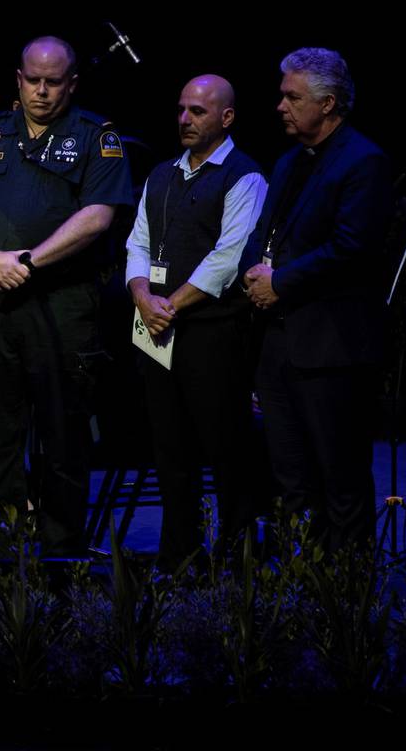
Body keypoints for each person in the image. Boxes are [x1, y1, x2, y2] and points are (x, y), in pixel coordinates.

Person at [0, 35, 133, 555]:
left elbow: (98, 216)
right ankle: (1, 535)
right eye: (33, 80)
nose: (43, 91)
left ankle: (60, 543)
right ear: (18, 79)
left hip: (62, 302)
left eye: (54, 82)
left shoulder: (97, 137)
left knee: (63, 426)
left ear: (71, 83)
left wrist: (27, 261)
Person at [240, 47, 392, 551]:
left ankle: (346, 605)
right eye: (282, 94)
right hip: (280, 344)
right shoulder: (288, 161)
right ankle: (300, 597)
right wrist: (252, 274)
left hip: (333, 350)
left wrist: (279, 281)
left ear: (327, 104)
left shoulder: (363, 161)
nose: (280, 105)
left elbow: (352, 247)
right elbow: (265, 232)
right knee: (289, 482)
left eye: (292, 97)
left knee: (340, 481)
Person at [124, 74, 267, 570]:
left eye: (198, 111)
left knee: (226, 448)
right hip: (157, 327)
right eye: (182, 109)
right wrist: (142, 293)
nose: (185, 119)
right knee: (169, 448)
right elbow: (138, 241)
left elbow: (230, 257)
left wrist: (172, 304)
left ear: (226, 117)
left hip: (212, 330)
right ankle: (179, 555)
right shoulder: (162, 173)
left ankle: (237, 558)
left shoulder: (245, 176)